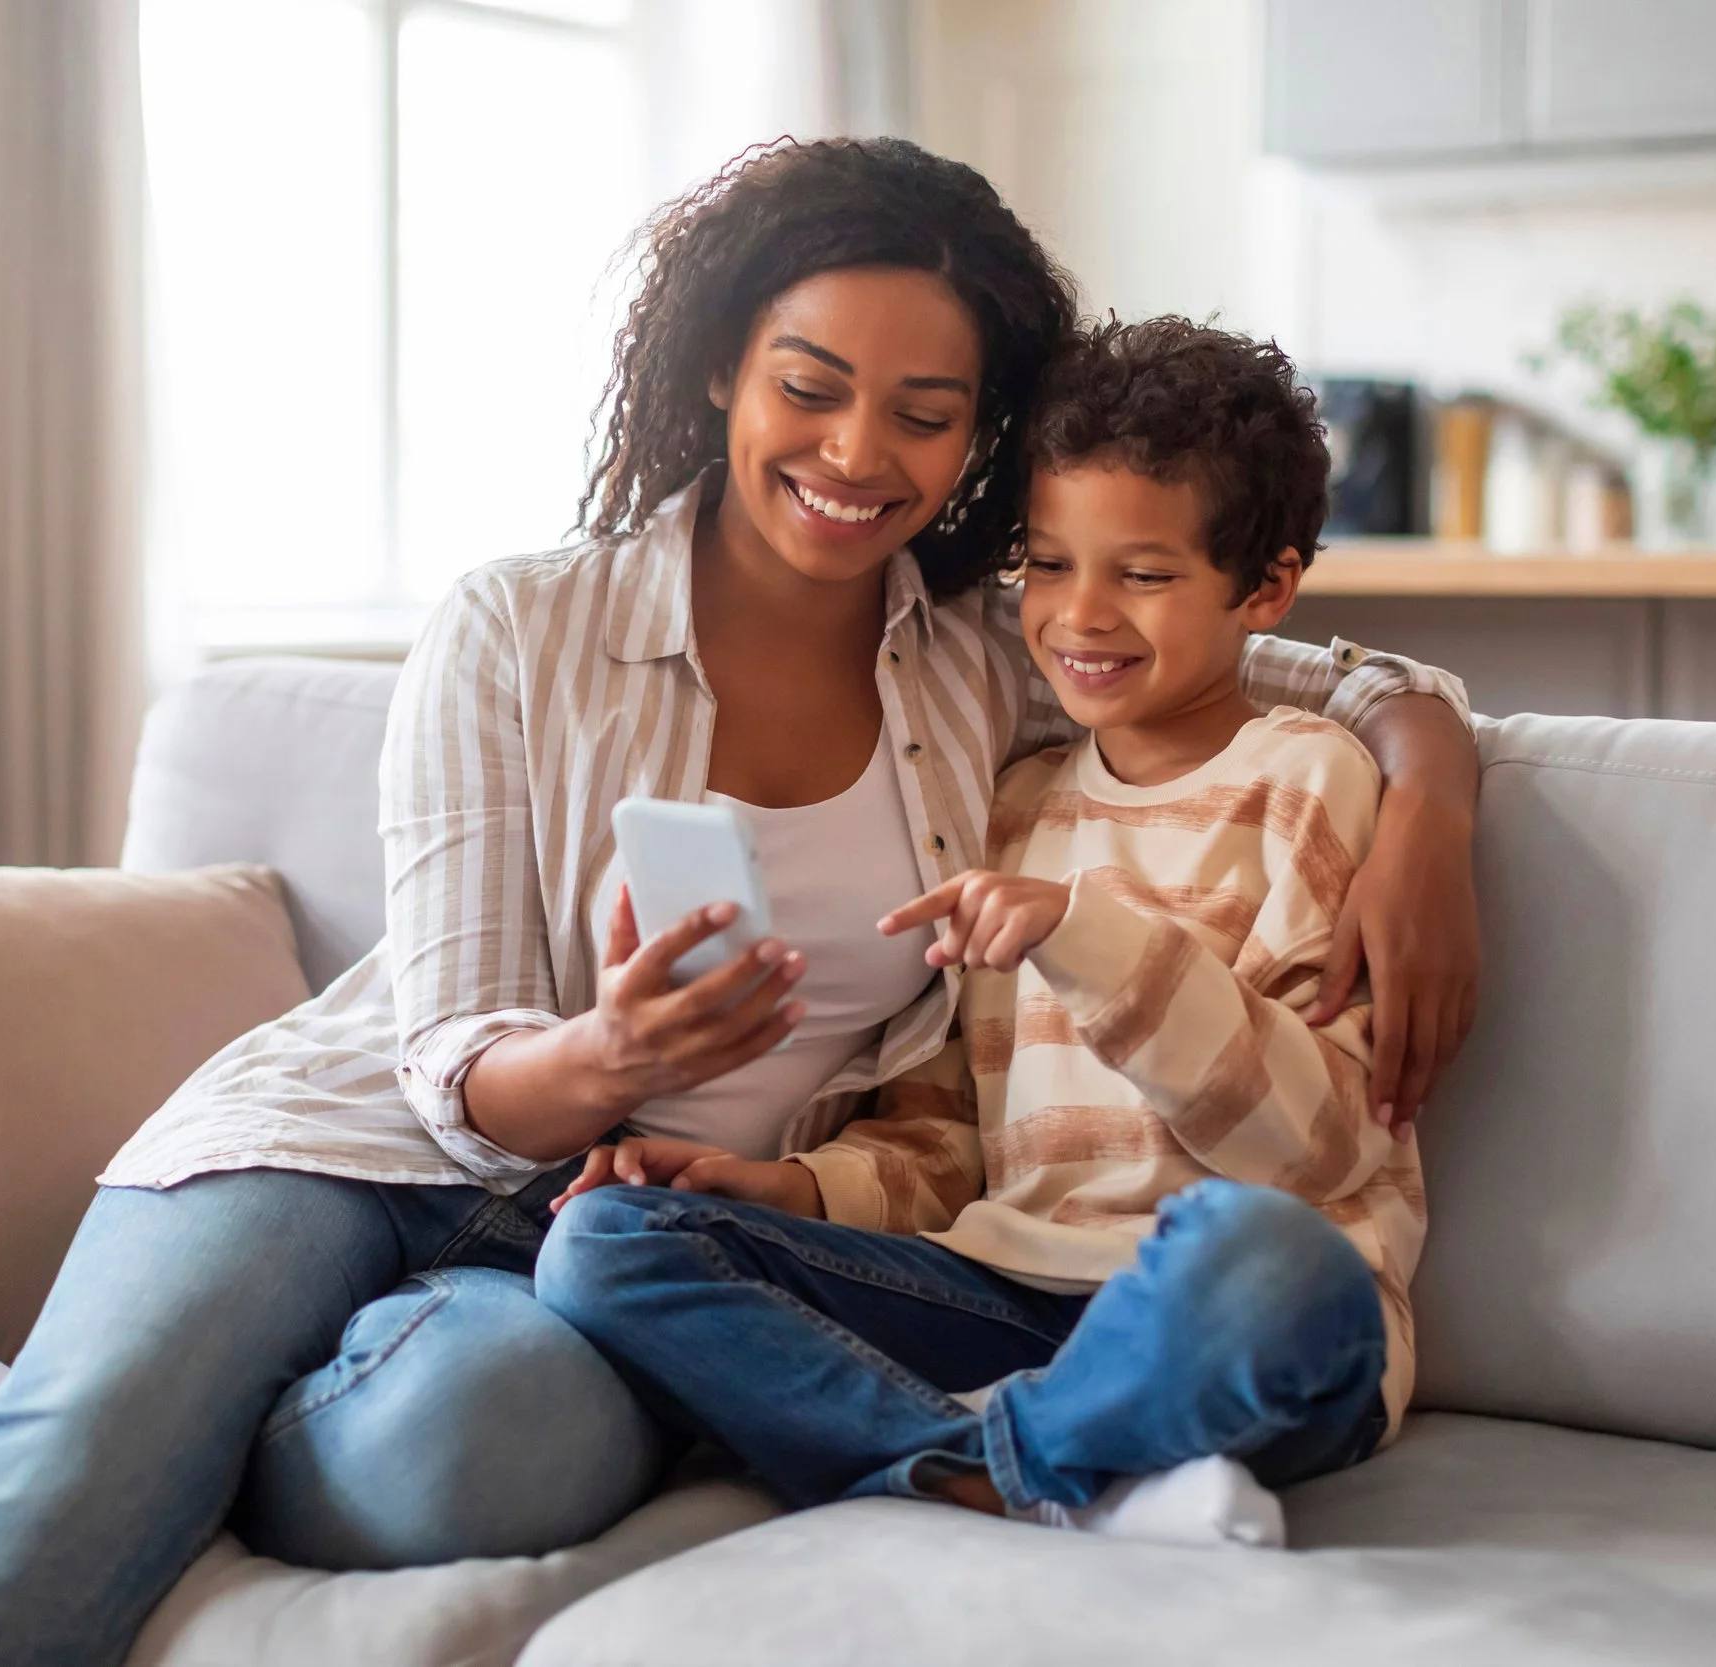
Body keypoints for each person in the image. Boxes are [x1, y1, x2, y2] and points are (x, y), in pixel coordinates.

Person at [0, 140, 1478, 1667]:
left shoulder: (998, 650)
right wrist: (604, 1056)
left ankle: (130, 1415)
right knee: (81, 1466)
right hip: (355, 1151)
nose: (858, 452)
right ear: (719, 369)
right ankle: (101, 1412)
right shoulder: (518, 627)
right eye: (811, 387)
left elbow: (1295, 666)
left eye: (924, 410)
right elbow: (450, 1049)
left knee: (482, 1453)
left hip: (612, 1228)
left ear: (978, 436)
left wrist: (1430, 794)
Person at [538, 318, 1419, 1547]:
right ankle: (1032, 1467)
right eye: (1048, 565)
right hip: (1013, 1297)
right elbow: (957, 1126)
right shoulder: (1012, 798)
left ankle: (999, 1462)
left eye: (1145, 574)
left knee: (1268, 1256)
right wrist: (795, 1185)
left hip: (1225, 1306)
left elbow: (1316, 1146)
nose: (1079, 615)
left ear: (1263, 588)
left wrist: (1087, 936)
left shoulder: (1309, 782)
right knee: (604, 1239)